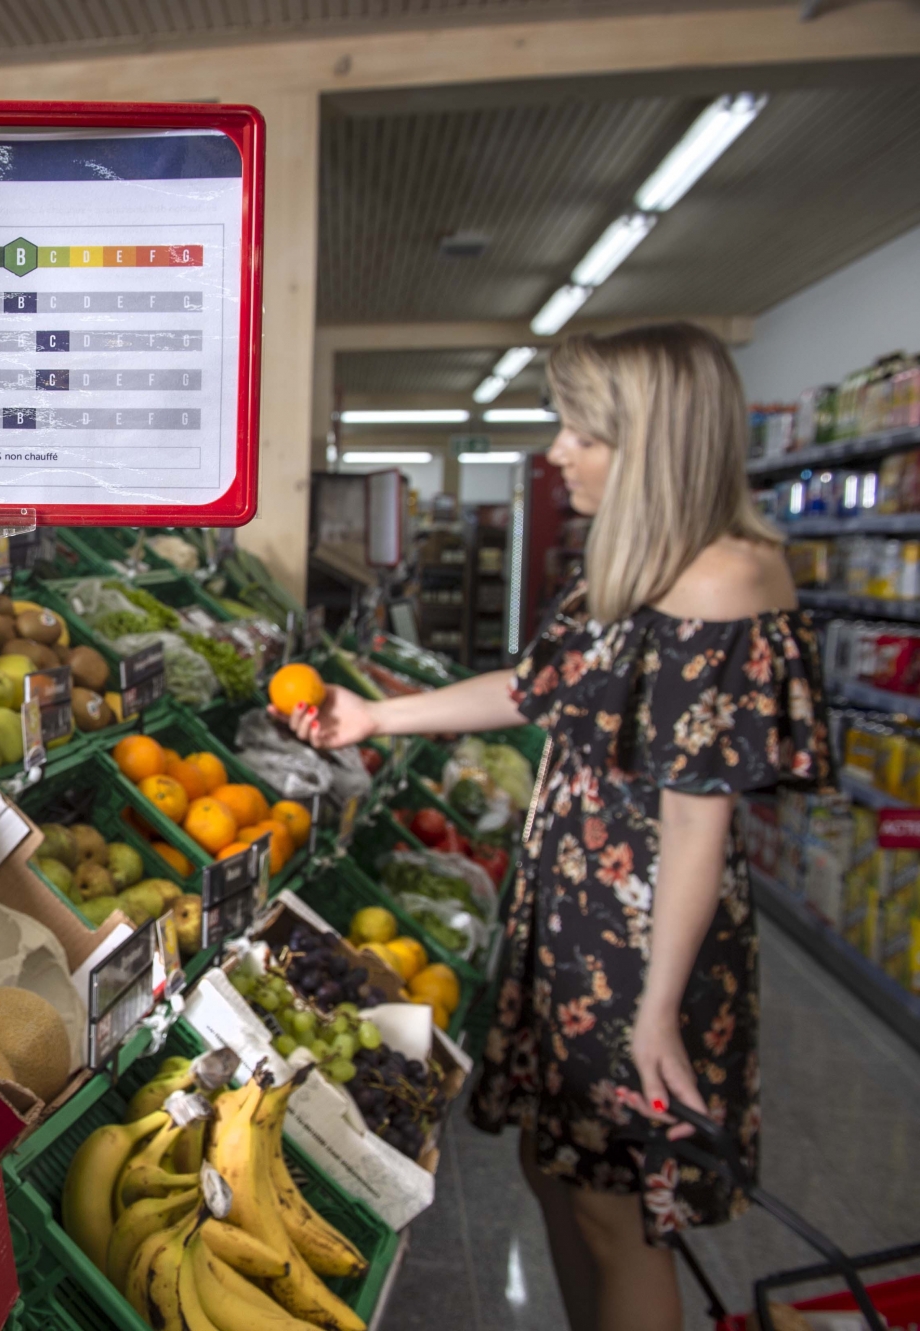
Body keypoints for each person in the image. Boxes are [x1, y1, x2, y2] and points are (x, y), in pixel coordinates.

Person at [281, 323, 828, 1331]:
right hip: (571, 919)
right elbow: (533, 690)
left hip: (639, 941)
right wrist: (373, 716)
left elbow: (693, 826)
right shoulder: (625, 568)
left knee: (617, 1212)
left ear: (652, 440)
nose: (556, 451)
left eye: (580, 429)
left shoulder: (718, 581)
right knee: (554, 1171)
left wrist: (655, 1010)